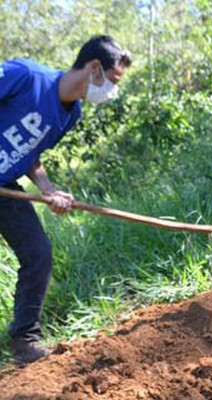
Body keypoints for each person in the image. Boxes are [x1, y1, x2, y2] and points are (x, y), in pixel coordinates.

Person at [0, 35, 132, 364]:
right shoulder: (26, 76)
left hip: (4, 186)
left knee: (38, 252)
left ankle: (24, 343)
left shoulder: (70, 115)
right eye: (113, 80)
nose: (112, 91)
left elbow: (29, 151)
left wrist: (47, 188)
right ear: (93, 68)